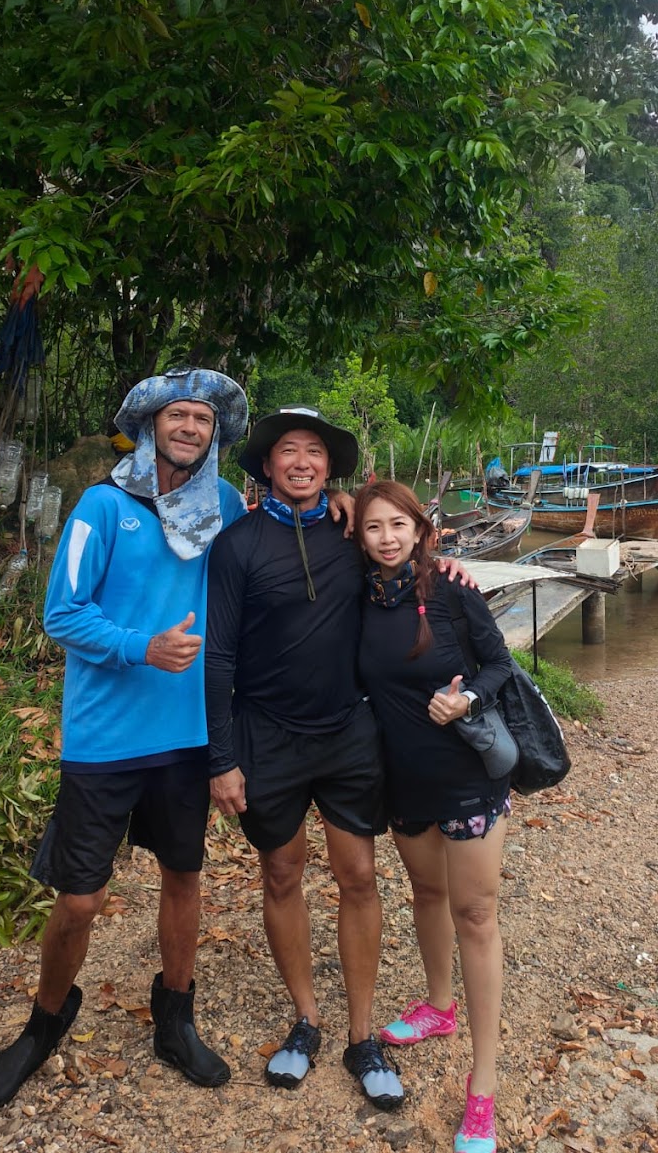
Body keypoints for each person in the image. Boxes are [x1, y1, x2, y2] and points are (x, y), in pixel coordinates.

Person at [0, 368, 251, 1114]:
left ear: (213, 432)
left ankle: (175, 1015)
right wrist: (139, 646)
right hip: (105, 737)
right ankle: (44, 1022)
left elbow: (271, 554)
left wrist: (355, 518)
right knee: (83, 897)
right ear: (151, 423)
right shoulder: (103, 504)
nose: (190, 426)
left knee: (184, 876)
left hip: (186, 736)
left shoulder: (222, 503)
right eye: (177, 415)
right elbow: (62, 613)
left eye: (202, 418)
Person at [205, 408, 476, 1111]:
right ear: (266, 466)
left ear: (331, 468)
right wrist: (221, 756)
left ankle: (362, 1033)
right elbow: (219, 654)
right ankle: (306, 1019)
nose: (301, 461)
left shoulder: (351, 530)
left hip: (348, 731)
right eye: (287, 451)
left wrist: (442, 563)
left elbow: (405, 552)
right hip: (266, 733)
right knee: (281, 869)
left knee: (359, 874)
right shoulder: (235, 545)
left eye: (315, 452)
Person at [355, 480, 514, 1153]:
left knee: (475, 916)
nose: (388, 537)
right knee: (426, 893)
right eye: (372, 527)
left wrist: (469, 697)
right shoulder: (358, 596)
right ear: (358, 536)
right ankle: (439, 1006)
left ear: (422, 530)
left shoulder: (452, 588)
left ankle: (484, 1085)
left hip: (467, 780)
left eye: (399, 524)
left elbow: (502, 663)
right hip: (403, 783)